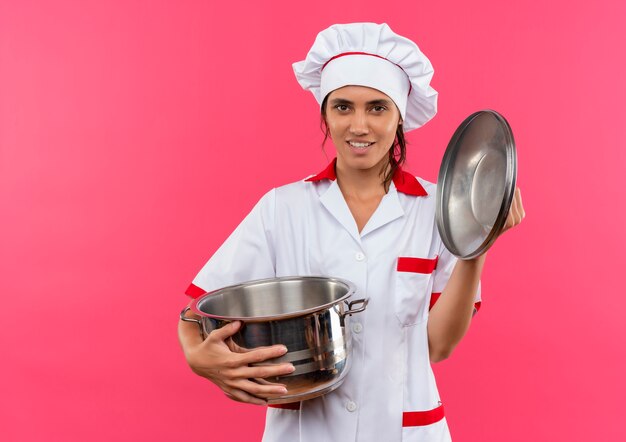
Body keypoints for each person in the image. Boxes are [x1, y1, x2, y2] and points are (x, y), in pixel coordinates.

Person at [178, 22, 525, 442]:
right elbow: (199, 311)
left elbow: (437, 345)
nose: (359, 125)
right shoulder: (283, 208)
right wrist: (198, 357)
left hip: (404, 429)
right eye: (343, 107)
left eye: (377, 107)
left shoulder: (441, 211)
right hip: (304, 429)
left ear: (400, 117)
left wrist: (476, 243)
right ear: (324, 112)